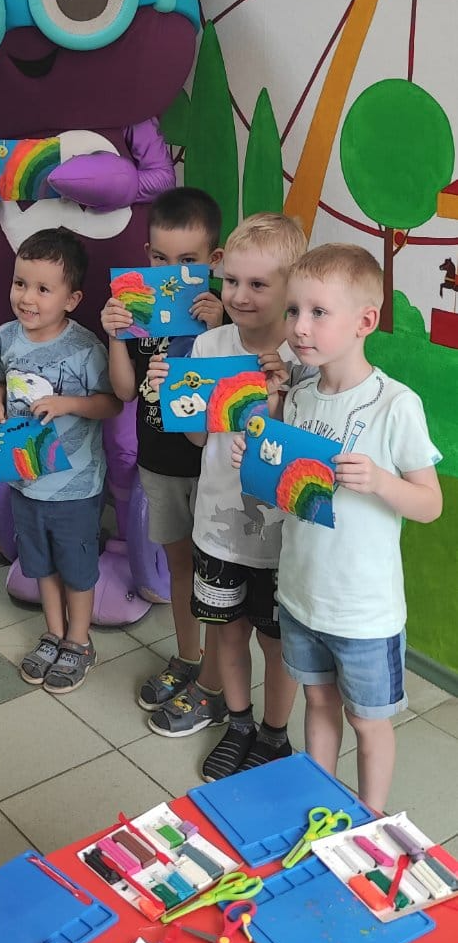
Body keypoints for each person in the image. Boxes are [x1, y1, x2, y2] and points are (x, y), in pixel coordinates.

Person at [232, 243, 442, 810]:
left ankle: (370, 820)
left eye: (319, 312)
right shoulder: (298, 398)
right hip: (302, 595)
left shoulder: (395, 405)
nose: (299, 327)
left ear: (365, 322)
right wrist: (257, 460)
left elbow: (430, 504)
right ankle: (319, 806)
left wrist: (379, 480)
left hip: (364, 611)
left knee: (367, 721)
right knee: (319, 702)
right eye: (294, 310)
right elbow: (286, 489)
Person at [151, 212, 307, 778]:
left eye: (258, 284)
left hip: (280, 538)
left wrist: (282, 395)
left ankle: (274, 735)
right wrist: (175, 396)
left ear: (292, 287)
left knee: (276, 641)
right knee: (228, 630)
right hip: (216, 524)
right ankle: (237, 722)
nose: (239, 296)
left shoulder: (305, 358)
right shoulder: (209, 343)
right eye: (232, 280)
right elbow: (199, 438)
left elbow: (308, 455)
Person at [100, 186, 227, 736]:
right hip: (158, 461)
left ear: (213, 260)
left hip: (212, 469)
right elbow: (124, 392)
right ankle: (188, 657)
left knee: (217, 576)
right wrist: (114, 335)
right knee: (180, 568)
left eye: (188, 261)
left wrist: (218, 325)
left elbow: (234, 390)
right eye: (160, 258)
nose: (172, 272)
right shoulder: (140, 312)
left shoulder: (223, 315)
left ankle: (216, 678)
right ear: (147, 254)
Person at [0, 227, 122, 692]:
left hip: (75, 485)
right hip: (24, 479)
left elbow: (111, 403)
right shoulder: (4, 337)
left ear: (72, 298)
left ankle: (79, 641)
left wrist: (67, 404)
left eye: (43, 289)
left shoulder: (85, 348)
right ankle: (54, 633)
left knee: (76, 568)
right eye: (21, 283)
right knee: (38, 562)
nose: (27, 297)